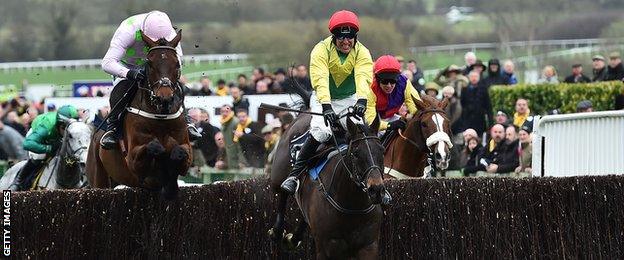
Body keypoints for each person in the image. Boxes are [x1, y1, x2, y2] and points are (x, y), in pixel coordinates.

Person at [281, 10, 375, 194]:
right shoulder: (320, 50)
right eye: (341, 38)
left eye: (350, 38)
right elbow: (320, 79)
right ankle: (294, 175)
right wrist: (326, 106)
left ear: (355, 37)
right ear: (334, 37)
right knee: (322, 131)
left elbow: (363, 77)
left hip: (349, 98)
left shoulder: (363, 52)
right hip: (323, 98)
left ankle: (376, 179)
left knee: (362, 132)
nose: (346, 42)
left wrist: (362, 101)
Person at [100, 10, 201, 150]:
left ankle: (186, 120)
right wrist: (129, 73)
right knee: (121, 89)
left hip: (158, 66)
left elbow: (177, 64)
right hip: (127, 65)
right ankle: (111, 129)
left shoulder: (170, 34)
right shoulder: (127, 30)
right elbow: (107, 63)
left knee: (174, 87)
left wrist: (170, 79)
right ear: (144, 34)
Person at [8, 105, 79, 191]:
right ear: (59, 124)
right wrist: (49, 148)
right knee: (39, 156)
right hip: (38, 136)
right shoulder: (45, 127)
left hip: (55, 138)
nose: (67, 132)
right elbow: (27, 144)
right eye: (65, 128)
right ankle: (17, 182)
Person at [367, 55, 419, 132]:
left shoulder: (404, 82)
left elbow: (415, 107)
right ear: (377, 79)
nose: (389, 86)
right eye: (385, 82)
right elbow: (370, 122)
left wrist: (414, 116)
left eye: (392, 81)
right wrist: (390, 125)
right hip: (375, 120)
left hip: (393, 117)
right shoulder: (370, 87)